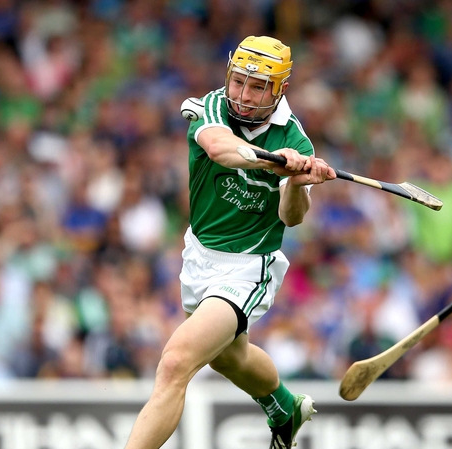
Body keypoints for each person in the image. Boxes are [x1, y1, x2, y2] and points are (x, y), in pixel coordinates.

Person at [125, 35, 336, 449]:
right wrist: (272, 161)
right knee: (229, 357)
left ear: (280, 90)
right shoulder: (211, 106)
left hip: (247, 267)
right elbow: (220, 148)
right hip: (199, 254)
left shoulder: (295, 141)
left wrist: (295, 181)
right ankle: (284, 407)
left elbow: (292, 218)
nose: (243, 94)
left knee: (175, 364)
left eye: (258, 86)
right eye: (239, 81)